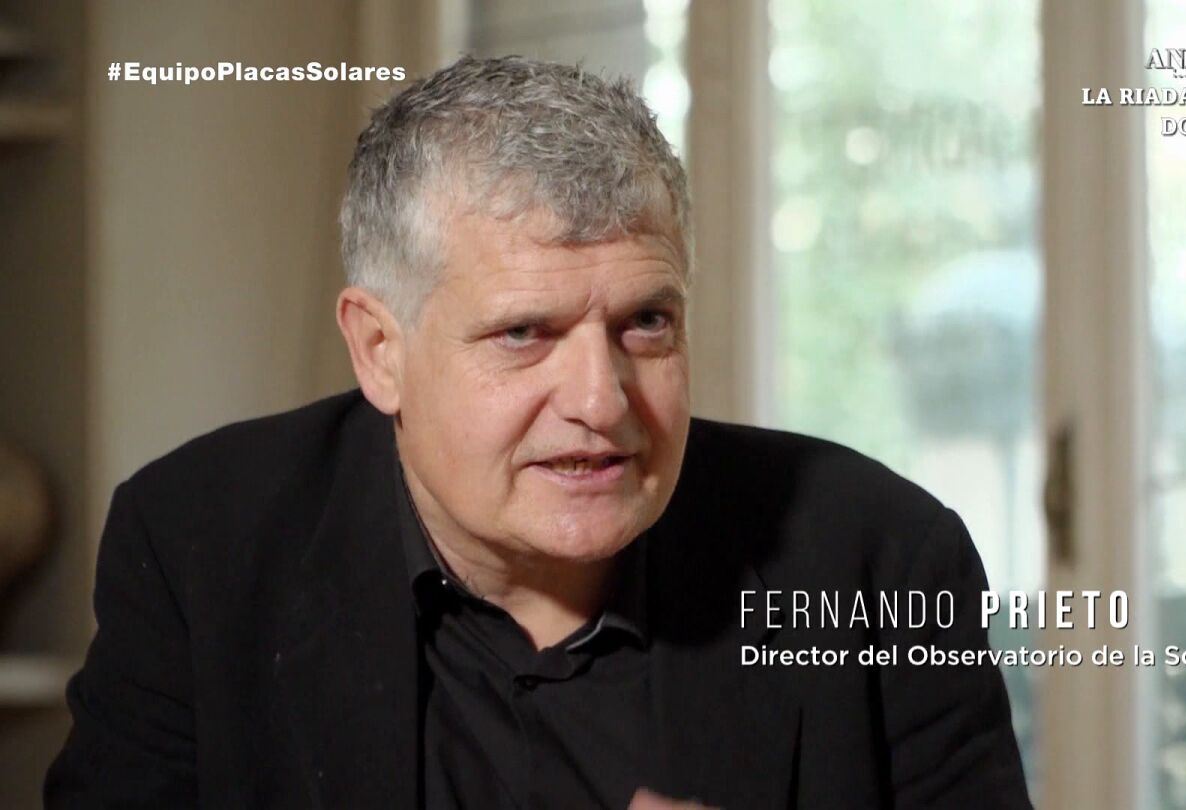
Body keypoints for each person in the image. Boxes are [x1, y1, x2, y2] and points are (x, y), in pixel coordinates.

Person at [45, 55, 1031, 809]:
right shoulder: (200, 546)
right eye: (524, 334)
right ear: (381, 350)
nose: (601, 401)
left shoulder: (880, 562)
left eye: (646, 322)